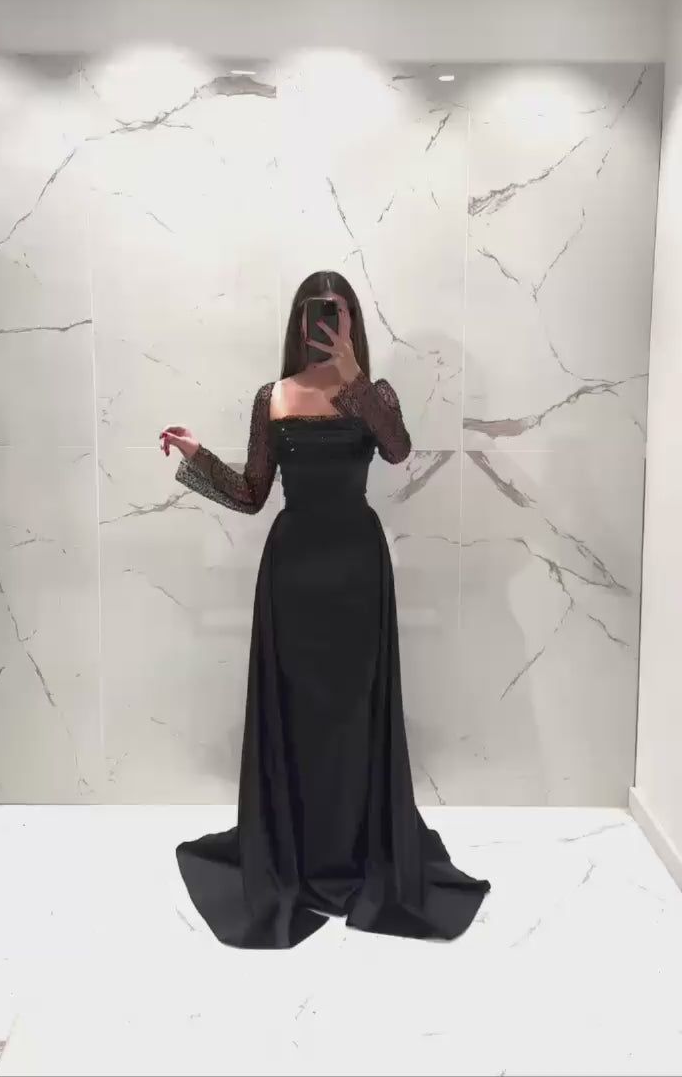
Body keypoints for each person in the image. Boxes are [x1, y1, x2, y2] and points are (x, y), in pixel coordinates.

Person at [160, 271, 490, 949]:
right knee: (295, 711)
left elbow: (398, 450)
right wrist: (197, 456)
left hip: (357, 572)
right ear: (299, 321)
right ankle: (297, 850)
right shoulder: (273, 396)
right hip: (292, 574)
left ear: (352, 322)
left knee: (354, 713)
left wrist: (354, 378)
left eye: (339, 315)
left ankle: (356, 849)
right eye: (318, 314)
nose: (328, 326)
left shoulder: (374, 393)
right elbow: (253, 493)